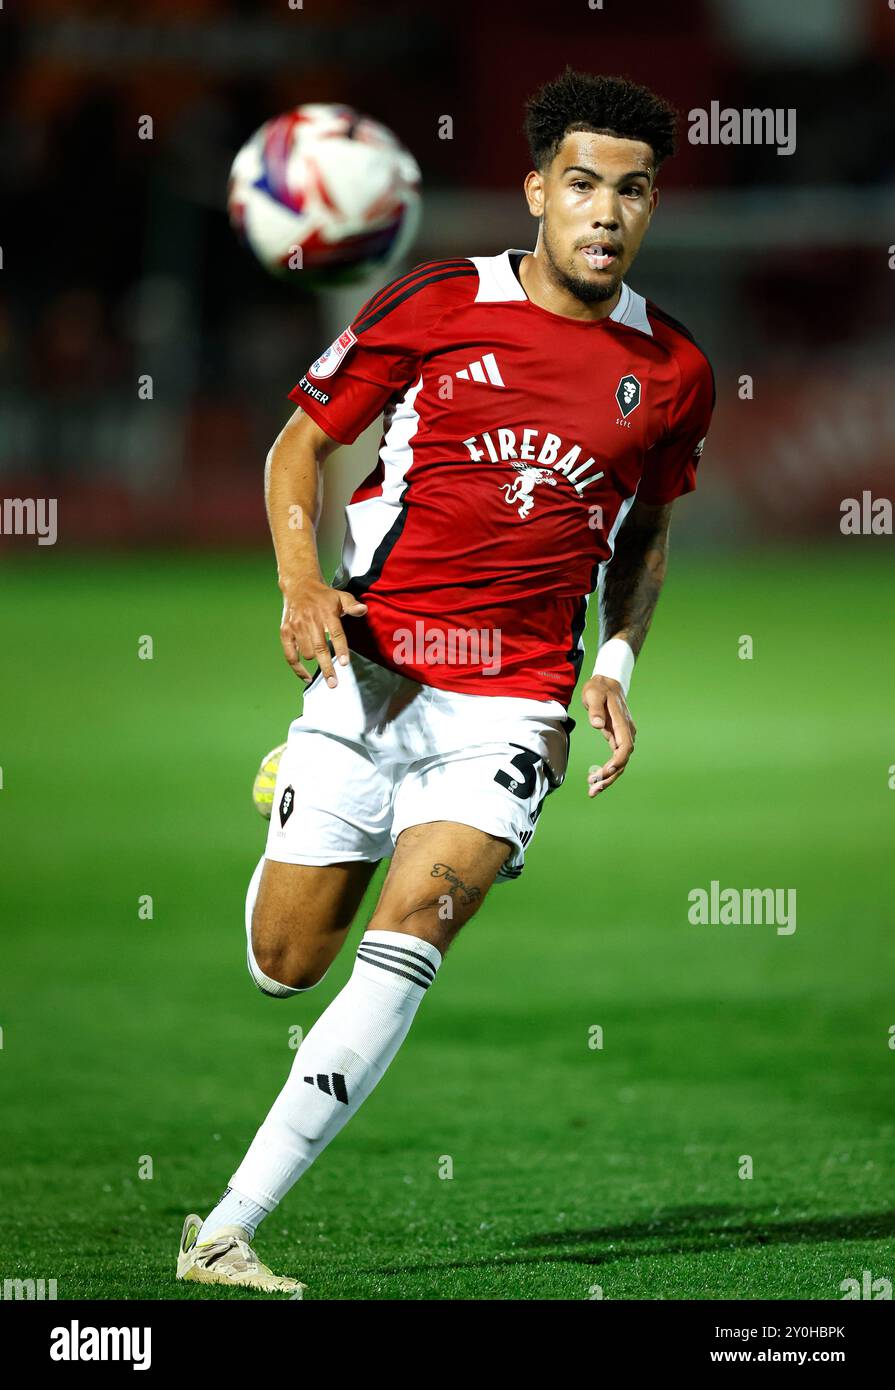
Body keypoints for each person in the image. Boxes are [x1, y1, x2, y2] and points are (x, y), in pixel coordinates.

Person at [176, 67, 714, 1294]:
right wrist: (300, 585)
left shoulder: (673, 370)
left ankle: (225, 1228)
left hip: (513, 698)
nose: (606, 212)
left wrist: (614, 662)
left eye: (632, 192)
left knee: (412, 930)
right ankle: (293, 783)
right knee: (283, 963)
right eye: (582, 184)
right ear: (536, 190)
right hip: (368, 670)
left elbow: (645, 534)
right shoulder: (435, 303)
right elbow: (298, 444)